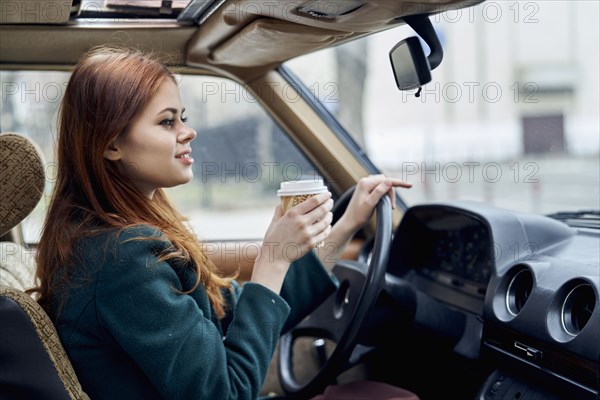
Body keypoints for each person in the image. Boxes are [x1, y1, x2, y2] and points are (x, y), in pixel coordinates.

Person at [31, 47, 415, 400]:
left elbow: (220, 311)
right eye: (166, 122)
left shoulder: (102, 241)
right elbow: (225, 393)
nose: (188, 131)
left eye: (183, 117)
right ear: (110, 144)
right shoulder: (123, 259)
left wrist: (344, 227)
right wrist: (272, 260)